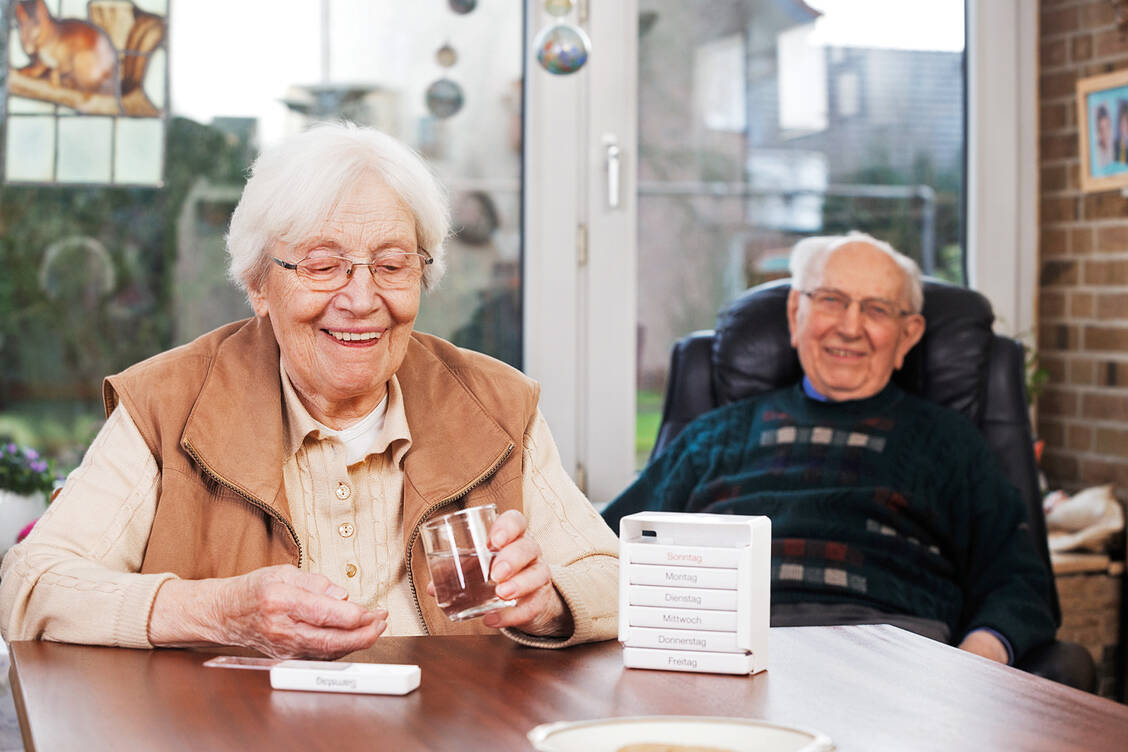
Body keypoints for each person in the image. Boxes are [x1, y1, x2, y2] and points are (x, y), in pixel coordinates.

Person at [0, 123, 619, 658]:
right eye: (323, 266)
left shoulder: (493, 403)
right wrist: (215, 611)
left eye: (392, 264)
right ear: (259, 286)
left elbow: (613, 578)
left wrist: (548, 603)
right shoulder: (168, 404)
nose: (361, 299)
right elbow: (32, 584)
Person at [602, 233, 1056, 666]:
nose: (850, 327)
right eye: (831, 300)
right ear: (796, 311)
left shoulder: (952, 442)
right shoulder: (713, 435)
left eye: (877, 309)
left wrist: (971, 667)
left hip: (894, 658)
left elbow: (1019, 582)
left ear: (909, 335)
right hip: (722, 651)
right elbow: (604, 547)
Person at [1095, 103, 1115, 173]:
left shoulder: (1117, 148)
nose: (1106, 133)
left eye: (1107, 126)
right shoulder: (1098, 157)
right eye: (1102, 129)